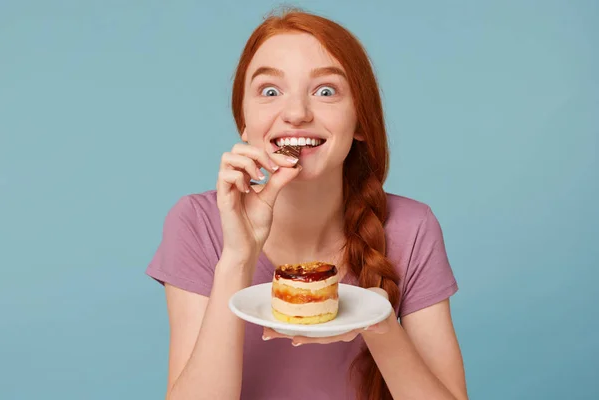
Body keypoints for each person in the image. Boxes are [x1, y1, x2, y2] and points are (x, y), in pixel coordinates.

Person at [146, 8, 468, 400]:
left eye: (326, 91)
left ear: (361, 122)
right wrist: (237, 258)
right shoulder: (196, 222)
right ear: (244, 121)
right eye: (270, 91)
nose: (296, 113)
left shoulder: (411, 228)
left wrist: (381, 326)